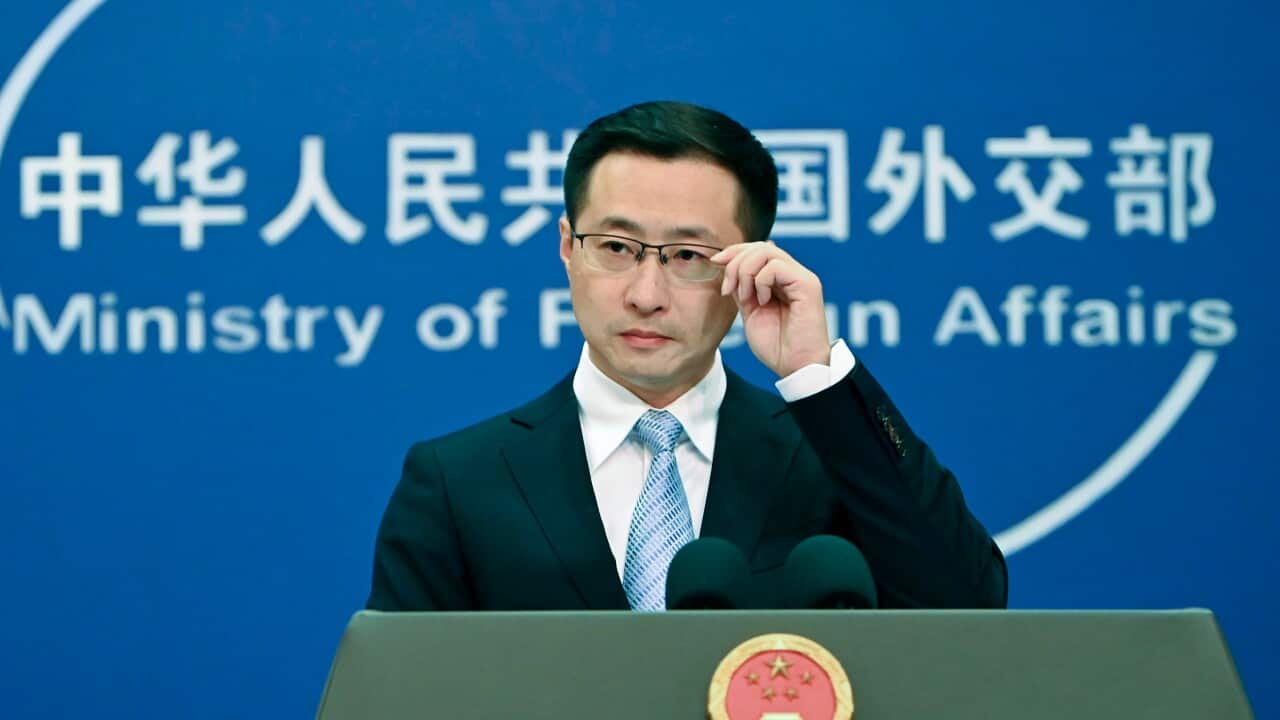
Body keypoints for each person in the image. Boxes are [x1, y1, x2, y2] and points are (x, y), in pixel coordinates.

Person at [366, 100, 1007, 612]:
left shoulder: (827, 456)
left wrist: (816, 375)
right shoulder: (458, 479)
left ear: (751, 264)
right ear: (567, 247)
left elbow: (967, 603)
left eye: (688, 257)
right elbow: (402, 692)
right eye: (615, 247)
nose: (647, 295)